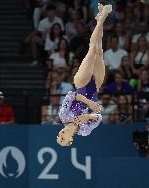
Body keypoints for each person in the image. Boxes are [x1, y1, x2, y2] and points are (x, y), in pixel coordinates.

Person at [57, 3, 112, 146]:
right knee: (99, 51)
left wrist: (88, 103)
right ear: (70, 140)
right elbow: (99, 117)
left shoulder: (63, 116)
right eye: (63, 139)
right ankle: (100, 16)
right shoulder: (85, 130)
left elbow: (71, 95)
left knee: (92, 50)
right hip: (95, 88)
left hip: (81, 84)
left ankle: (102, 17)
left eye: (59, 136)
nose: (60, 134)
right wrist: (89, 115)